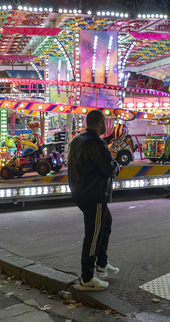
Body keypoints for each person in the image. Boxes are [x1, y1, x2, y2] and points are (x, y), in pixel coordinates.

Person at [68, 111, 121, 291]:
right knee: (94, 234)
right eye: (105, 122)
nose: (106, 125)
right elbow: (110, 168)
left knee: (106, 223)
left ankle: (102, 263)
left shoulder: (77, 139)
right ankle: (87, 278)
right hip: (94, 194)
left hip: (80, 191)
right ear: (99, 123)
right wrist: (117, 165)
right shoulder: (96, 142)